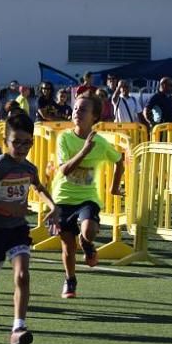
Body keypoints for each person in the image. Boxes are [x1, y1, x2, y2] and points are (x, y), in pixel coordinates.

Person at [0, 112, 58, 344]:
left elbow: (38, 186)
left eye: (26, 142)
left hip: (16, 228)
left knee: (22, 275)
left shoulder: (29, 168)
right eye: (16, 142)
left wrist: (52, 206)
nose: (21, 147)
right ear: (6, 142)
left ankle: (18, 327)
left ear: (32, 142)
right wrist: (4, 206)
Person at [53, 94, 124, 299]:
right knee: (68, 246)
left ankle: (87, 243)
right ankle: (70, 280)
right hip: (63, 197)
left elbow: (119, 161)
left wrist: (113, 188)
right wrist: (84, 152)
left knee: (89, 230)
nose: (77, 112)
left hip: (87, 197)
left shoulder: (100, 143)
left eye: (83, 109)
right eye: (75, 108)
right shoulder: (65, 138)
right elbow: (64, 170)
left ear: (94, 117)